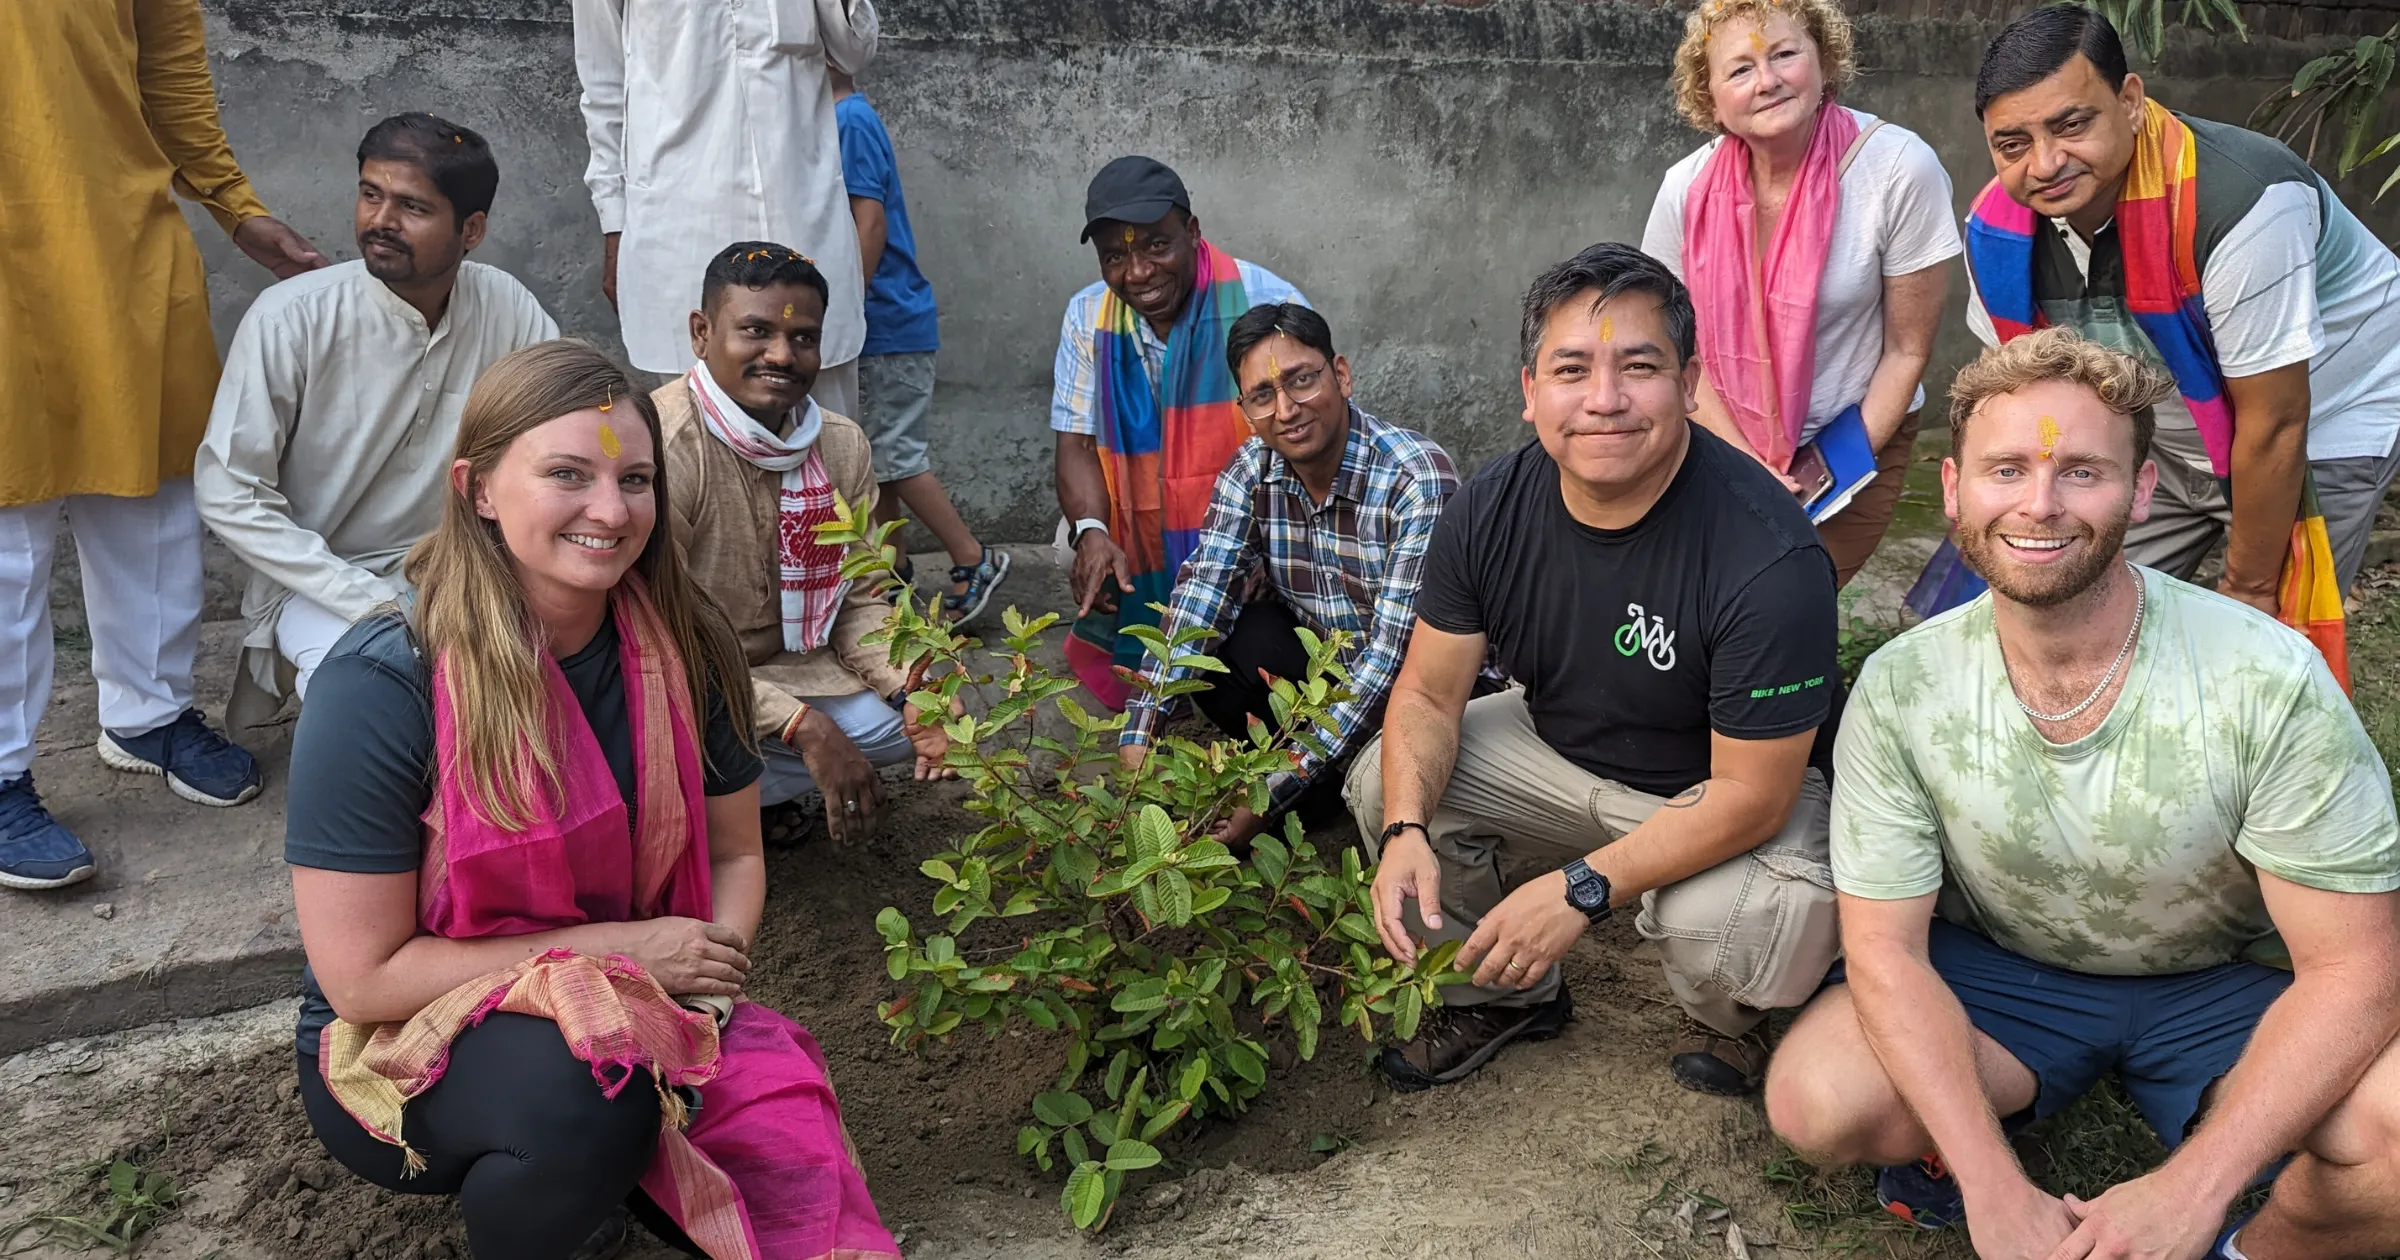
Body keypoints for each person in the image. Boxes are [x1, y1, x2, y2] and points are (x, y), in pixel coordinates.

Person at [1765, 328, 2400, 1260]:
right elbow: (1886, 952)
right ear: (1952, 491)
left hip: (2229, 983)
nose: (2040, 505)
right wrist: (1995, 1192)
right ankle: (1969, 1147)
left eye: (2083, 472)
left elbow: (2359, 968)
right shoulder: (1902, 686)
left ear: (2142, 491)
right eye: (2007, 469)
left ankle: (2251, 1246)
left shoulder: (2267, 677)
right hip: (2007, 975)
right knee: (1818, 1099)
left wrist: (2193, 1191)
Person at [285, 338, 898, 1260]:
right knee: (596, 1102)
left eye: (637, 480)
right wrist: (622, 955)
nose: (611, 512)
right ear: (478, 488)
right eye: (567, 475)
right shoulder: (387, 680)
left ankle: (607, 1170)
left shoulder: (687, 649)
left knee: (772, 1127)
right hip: (405, 1035)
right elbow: (363, 978)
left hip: (644, 999)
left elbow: (735, 856)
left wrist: (708, 1000)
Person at [1354, 244, 1842, 1097]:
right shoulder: (1490, 507)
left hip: (1716, 791)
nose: (1604, 400)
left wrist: (1577, 890)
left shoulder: (1767, 556)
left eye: (1640, 366)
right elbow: (1430, 692)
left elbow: (1752, 797)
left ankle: (1741, 1020)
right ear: (1530, 390)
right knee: (1385, 786)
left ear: (1690, 382)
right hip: (1557, 749)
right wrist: (1403, 830)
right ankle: (1504, 997)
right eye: (1571, 369)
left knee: (1750, 919)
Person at [0, 0, 328, 891]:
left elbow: (169, 70)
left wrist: (234, 203)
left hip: (114, 232)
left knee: (151, 494)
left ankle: (147, 715)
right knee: (8, 533)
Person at [1962, 6, 2400, 659]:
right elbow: (2012, 396)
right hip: (2168, 423)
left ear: (2131, 101)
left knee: (2263, 652)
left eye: (2072, 124)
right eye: (2013, 142)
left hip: (2324, 418)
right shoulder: (1996, 230)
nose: (2046, 162)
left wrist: (2249, 589)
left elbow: (2276, 425)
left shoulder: (2243, 203)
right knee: (2078, 609)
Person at [198, 114, 558, 727]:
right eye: (371, 195)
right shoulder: (293, 317)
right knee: (385, 700)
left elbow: (558, 430)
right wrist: (368, 599)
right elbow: (228, 490)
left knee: (575, 668)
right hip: (323, 584)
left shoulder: (506, 305)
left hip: (464, 568)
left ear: (471, 229)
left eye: (412, 207)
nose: (381, 222)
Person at [1116, 304, 1475, 851]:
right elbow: (1202, 594)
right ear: (1246, 410)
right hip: (1332, 682)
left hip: (1431, 695)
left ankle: (1319, 786)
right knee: (1224, 645)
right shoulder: (1253, 469)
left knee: (1400, 726)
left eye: (1302, 381)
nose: (1286, 409)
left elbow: (1391, 662)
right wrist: (1142, 728)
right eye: (1263, 395)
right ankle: (1323, 782)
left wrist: (1267, 795)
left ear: (1342, 374)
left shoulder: (1416, 478)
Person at [1642, 0, 1959, 587]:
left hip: (1856, 438)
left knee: (1789, 597)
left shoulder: (1897, 169)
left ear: (1823, 62)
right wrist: (1748, 467)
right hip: (1714, 437)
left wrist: (1823, 475)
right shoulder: (1685, 189)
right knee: (1695, 603)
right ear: (1709, 96)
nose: (1768, 81)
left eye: (1785, 54)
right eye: (1739, 69)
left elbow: (1907, 352)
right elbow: (1674, 350)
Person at [658, 243, 951, 845]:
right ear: (701, 332)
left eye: (803, 338)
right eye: (755, 331)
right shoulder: (662, 447)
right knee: (654, 743)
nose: (781, 355)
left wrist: (917, 686)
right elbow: (660, 643)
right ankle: (704, 814)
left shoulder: (839, 446)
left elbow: (863, 596)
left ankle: (732, 803)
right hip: (679, 679)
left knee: (915, 723)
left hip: (791, 664)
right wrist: (802, 726)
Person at [1052, 156, 1309, 712]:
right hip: (1139, 506)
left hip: (1255, 514)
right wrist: (1092, 533)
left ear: (1192, 234)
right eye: (1116, 256)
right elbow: (1073, 445)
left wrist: (1271, 547)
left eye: (1156, 246)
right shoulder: (1087, 317)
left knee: (1253, 642)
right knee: (1070, 542)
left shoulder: (1267, 304)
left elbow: (1311, 445)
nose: (1139, 272)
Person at [572, 0, 878, 419]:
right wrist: (614, 222)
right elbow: (604, 85)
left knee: (828, 454)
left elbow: (853, 51)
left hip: (803, 220)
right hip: (681, 233)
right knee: (692, 453)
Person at [830, 61, 1011, 626]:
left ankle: (973, 557)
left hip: (881, 323)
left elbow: (870, 223)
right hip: (883, 322)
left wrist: (841, 315)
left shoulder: (848, 119)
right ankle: (893, 577)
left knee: (896, 458)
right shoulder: (841, 118)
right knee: (876, 459)